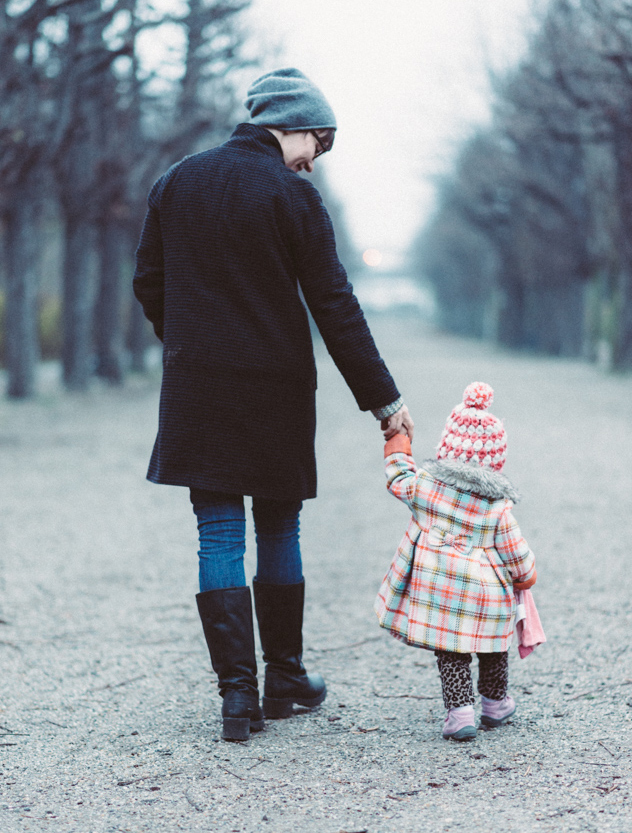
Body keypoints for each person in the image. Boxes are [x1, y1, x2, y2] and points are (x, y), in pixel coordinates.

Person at [133, 67, 413, 741]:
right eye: (317, 144)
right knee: (277, 529)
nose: (313, 162)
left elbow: (148, 281)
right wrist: (383, 401)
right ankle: (283, 677)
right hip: (275, 389)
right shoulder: (289, 196)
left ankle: (237, 697)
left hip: (197, 388)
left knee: (218, 531)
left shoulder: (177, 181)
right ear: (291, 124)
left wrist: (190, 344)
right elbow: (333, 304)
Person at [374, 382, 536, 742]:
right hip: (487, 595)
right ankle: (495, 704)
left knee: (452, 651)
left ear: (447, 446)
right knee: (493, 646)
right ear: (496, 460)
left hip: (440, 593)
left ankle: (460, 713)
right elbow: (515, 550)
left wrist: (398, 442)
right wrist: (526, 575)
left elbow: (398, 476)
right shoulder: (497, 507)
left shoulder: (426, 488)